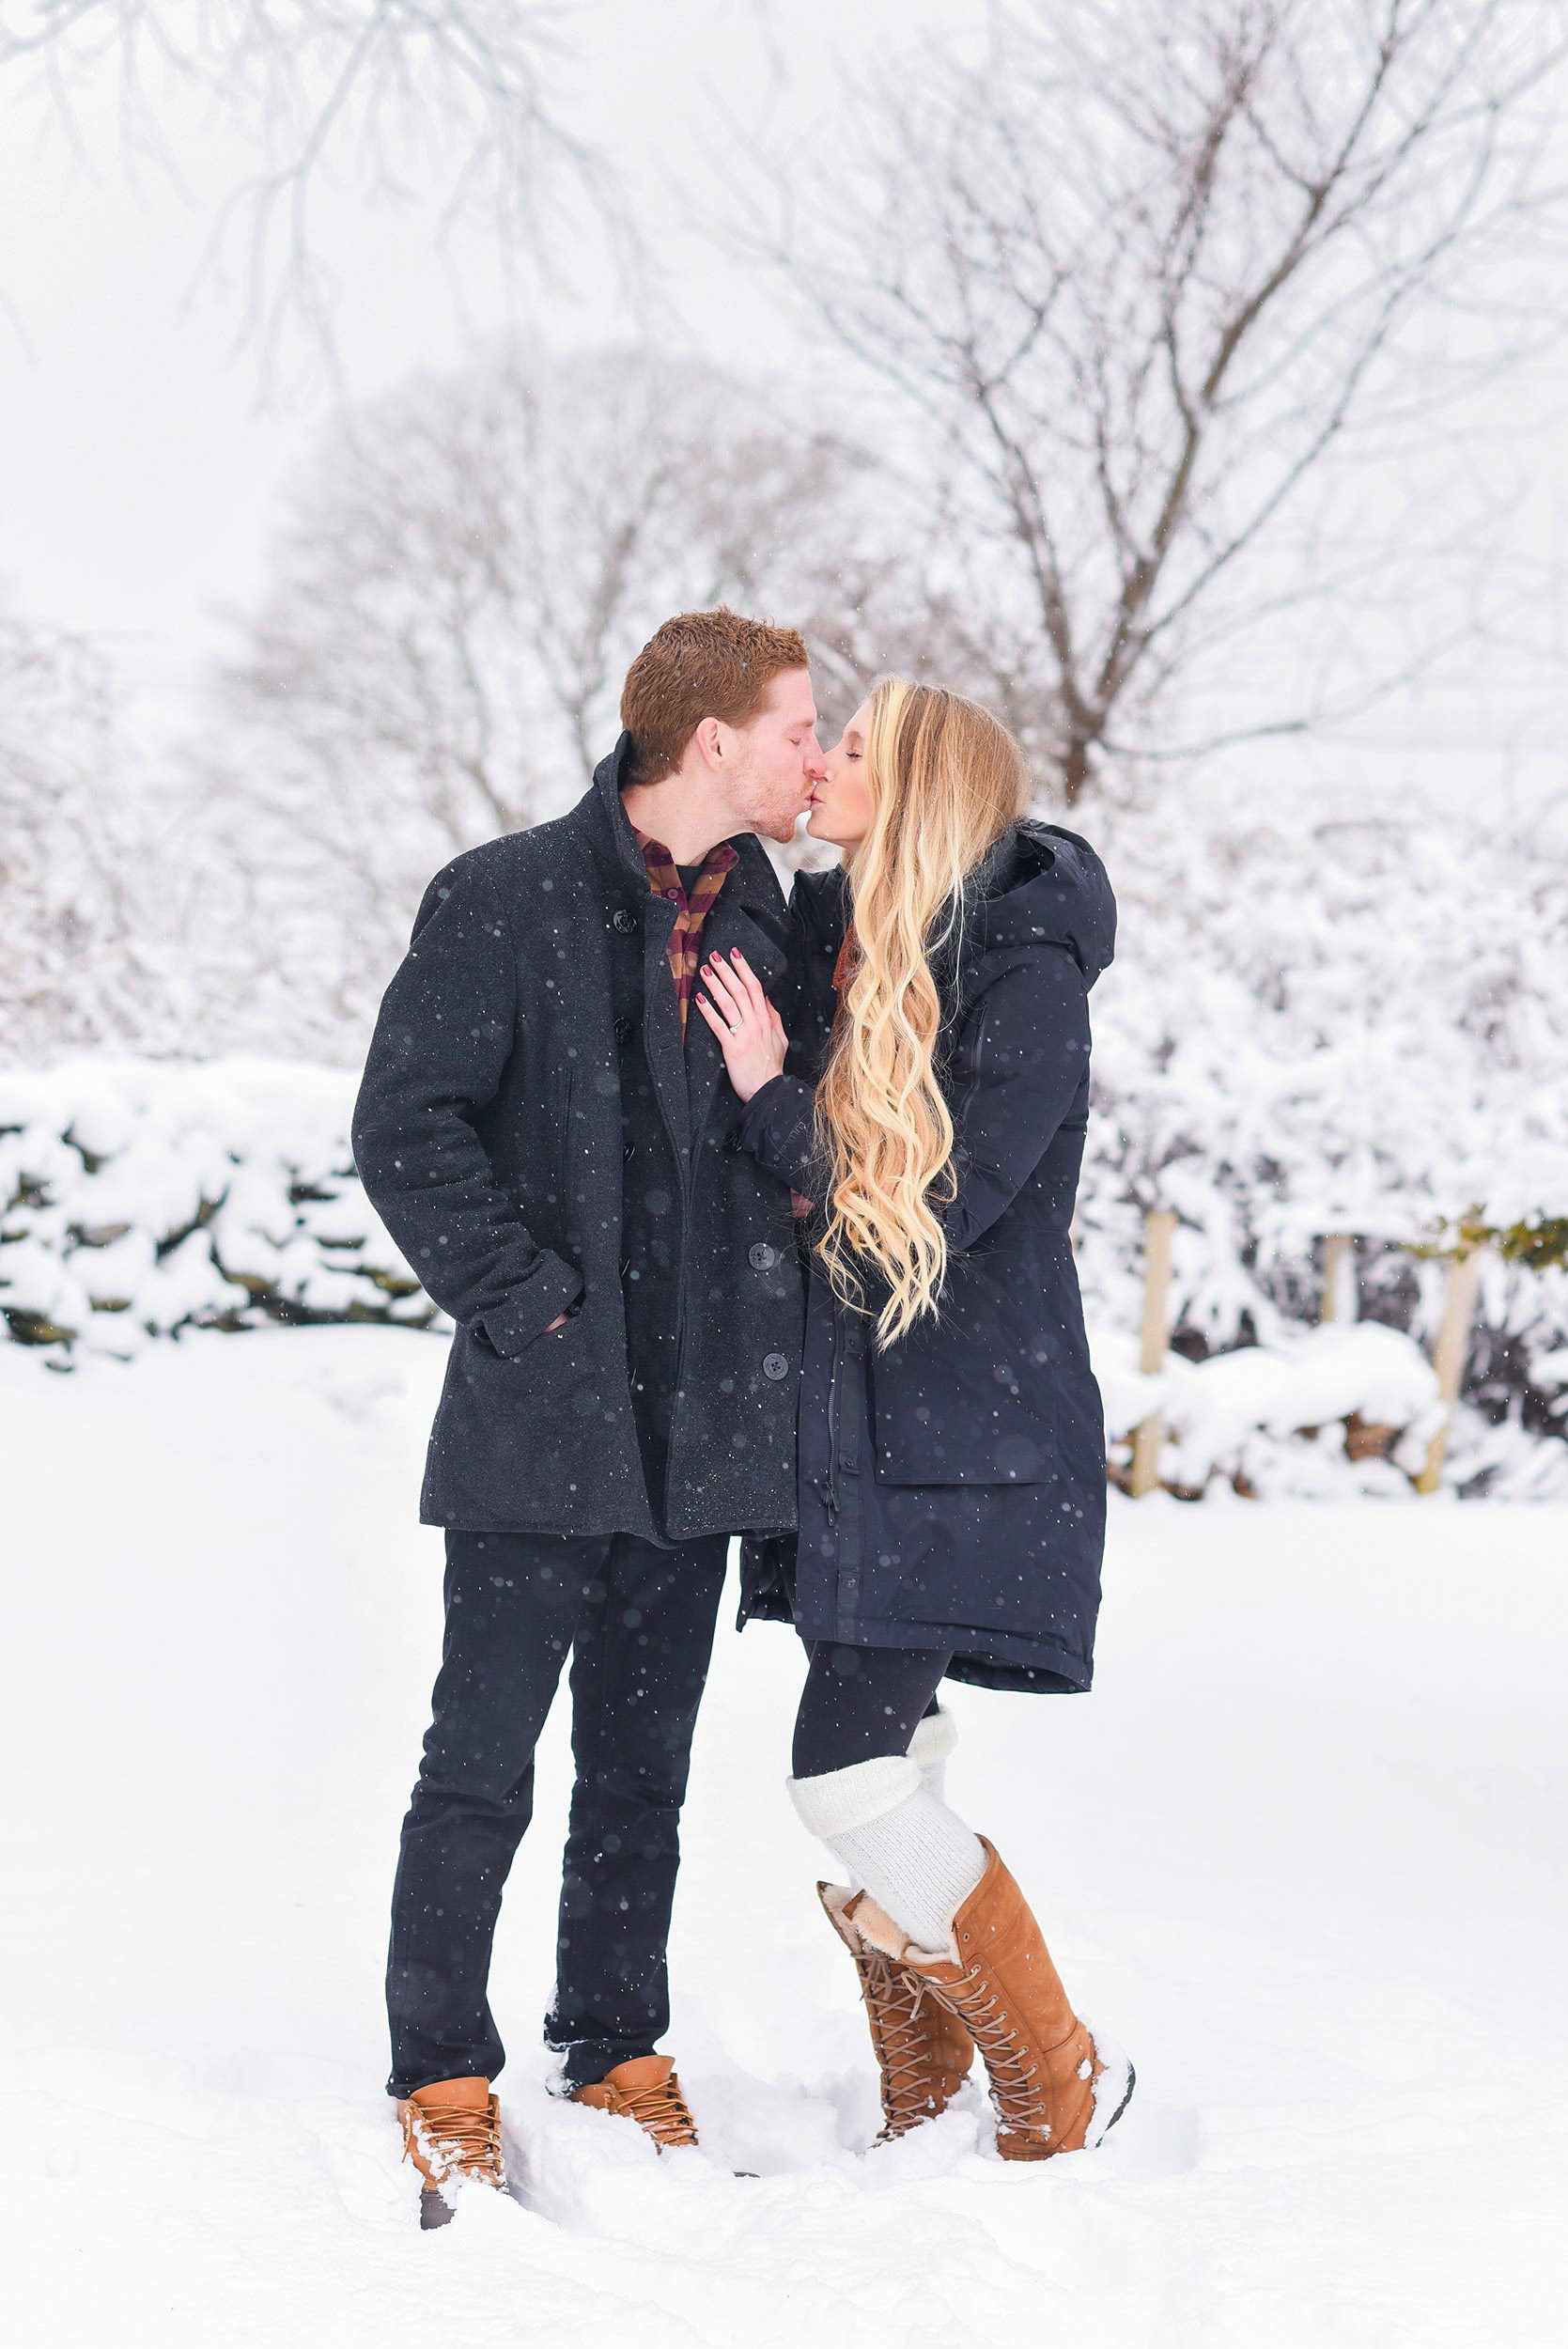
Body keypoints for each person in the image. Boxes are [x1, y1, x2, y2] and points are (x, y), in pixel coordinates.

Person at [351, 607, 825, 2225]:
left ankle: (614, 2045)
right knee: (480, 1765)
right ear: (709, 744)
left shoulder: (775, 925)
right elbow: (406, 1129)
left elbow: (809, 1157)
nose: (813, 760)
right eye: (795, 731)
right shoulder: (501, 900)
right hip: (537, 1429)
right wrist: (534, 1306)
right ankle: (441, 2072)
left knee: (643, 1770)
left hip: (698, 1444)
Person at [695, 677, 1135, 2160]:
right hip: (855, 1432)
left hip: (960, 1439)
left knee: (843, 1768)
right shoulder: (860, 939)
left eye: (854, 750)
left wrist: (769, 1098)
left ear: (924, 788)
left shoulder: (1022, 972)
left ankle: (1063, 2065)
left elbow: (931, 1213)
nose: (821, 764)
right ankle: (933, 2077)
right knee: (901, 1742)